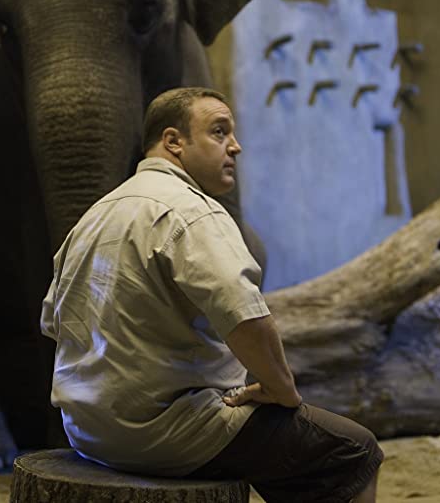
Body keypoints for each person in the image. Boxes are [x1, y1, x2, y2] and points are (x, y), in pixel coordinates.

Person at [40, 87, 383, 502]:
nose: (235, 147)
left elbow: (54, 322)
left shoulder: (96, 215)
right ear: (174, 142)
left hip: (86, 430)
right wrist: (282, 391)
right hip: (167, 433)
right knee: (354, 450)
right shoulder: (192, 210)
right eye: (219, 132)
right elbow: (245, 318)